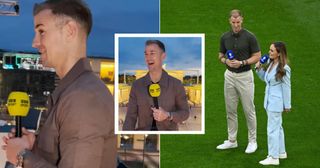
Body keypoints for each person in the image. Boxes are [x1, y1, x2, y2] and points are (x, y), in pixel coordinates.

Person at [2, 0, 117, 167]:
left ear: (70, 31)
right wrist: (35, 148)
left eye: (41, 31)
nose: (34, 42)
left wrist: (22, 156)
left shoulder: (83, 97)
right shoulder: (73, 91)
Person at [216, 9, 261, 153]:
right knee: (230, 110)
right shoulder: (224, 37)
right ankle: (232, 140)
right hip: (229, 76)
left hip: (245, 76)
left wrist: (242, 63)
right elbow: (220, 54)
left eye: (238, 22)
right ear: (230, 21)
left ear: (242, 20)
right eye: (233, 22)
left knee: (249, 110)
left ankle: (252, 141)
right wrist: (225, 61)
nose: (236, 25)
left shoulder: (250, 37)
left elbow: (257, 56)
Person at [123, 40, 189, 131]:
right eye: (146, 54)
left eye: (152, 53)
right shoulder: (137, 86)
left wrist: (168, 115)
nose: (148, 57)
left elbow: (185, 113)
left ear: (163, 56)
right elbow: (130, 118)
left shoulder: (176, 84)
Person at [256, 42, 291, 165]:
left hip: (276, 103)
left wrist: (287, 105)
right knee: (278, 127)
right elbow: (267, 79)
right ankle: (281, 152)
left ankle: (273, 157)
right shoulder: (271, 63)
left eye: (272, 51)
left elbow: (287, 87)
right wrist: (259, 68)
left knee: (272, 130)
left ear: (279, 53)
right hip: (269, 101)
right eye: (269, 50)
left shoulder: (284, 68)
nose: (269, 52)